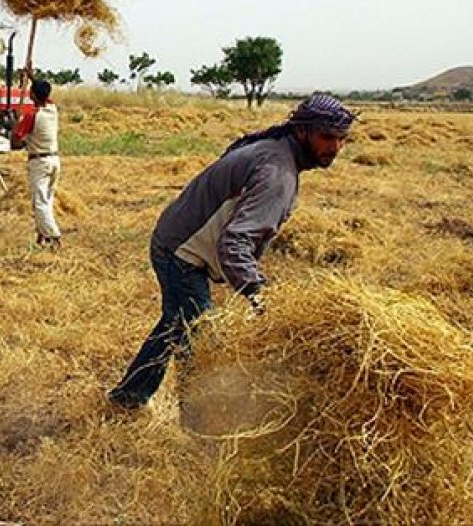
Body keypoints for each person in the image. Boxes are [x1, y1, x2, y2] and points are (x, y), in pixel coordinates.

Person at [106, 93, 357, 412]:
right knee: (199, 341)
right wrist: (259, 294)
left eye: (341, 139)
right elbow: (234, 242)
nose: (334, 148)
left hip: (173, 238)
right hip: (182, 253)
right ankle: (197, 422)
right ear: (302, 131)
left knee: (175, 325)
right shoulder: (277, 172)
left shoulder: (274, 150)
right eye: (327, 137)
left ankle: (128, 397)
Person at [11, 79, 61, 247]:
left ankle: (54, 238)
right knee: (47, 200)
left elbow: (15, 143)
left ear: (32, 94)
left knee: (39, 202)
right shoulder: (52, 109)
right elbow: (43, 94)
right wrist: (31, 75)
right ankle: (42, 236)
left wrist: (16, 126)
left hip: (39, 162)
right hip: (54, 160)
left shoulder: (32, 115)